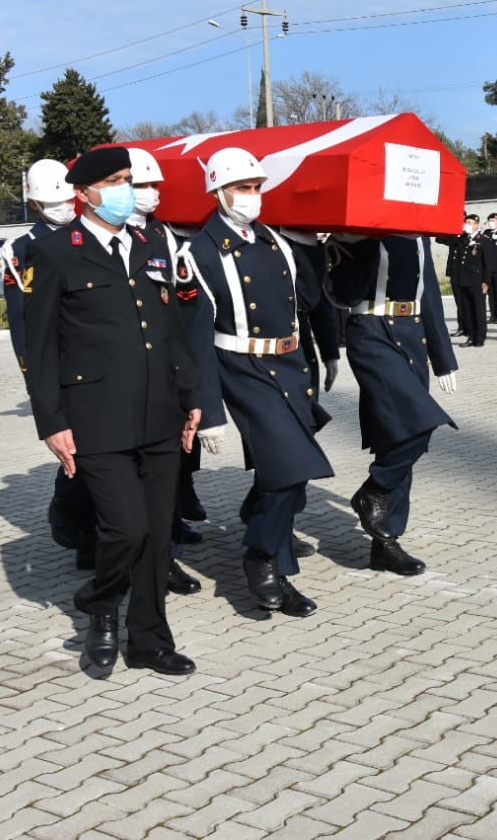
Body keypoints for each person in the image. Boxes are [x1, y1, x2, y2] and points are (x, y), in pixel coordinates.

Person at [22, 145, 202, 674]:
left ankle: (150, 641)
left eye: (130, 179)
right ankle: (101, 608)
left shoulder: (150, 243)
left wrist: (191, 398)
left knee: (158, 534)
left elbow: (171, 333)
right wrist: (52, 423)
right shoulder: (57, 251)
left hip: (161, 412)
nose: (129, 190)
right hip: (97, 416)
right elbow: (40, 347)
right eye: (119, 180)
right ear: (84, 193)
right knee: (126, 528)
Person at [183, 147, 334, 617]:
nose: (252, 196)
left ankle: (265, 529)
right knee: (291, 466)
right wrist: (208, 411)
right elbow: (194, 338)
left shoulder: (275, 239)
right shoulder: (200, 252)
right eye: (241, 188)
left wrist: (311, 244)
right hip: (242, 369)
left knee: (290, 470)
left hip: (289, 365)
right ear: (218, 192)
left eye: (256, 187)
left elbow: (307, 300)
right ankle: (263, 560)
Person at [327, 232, 459, 577]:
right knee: (418, 421)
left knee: (399, 436)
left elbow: (429, 293)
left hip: (412, 333)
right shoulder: (356, 235)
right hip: (372, 332)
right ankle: (374, 490)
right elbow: (342, 294)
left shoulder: (418, 236)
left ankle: (385, 542)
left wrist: (443, 359)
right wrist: (356, 243)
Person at [0, 158, 96, 563]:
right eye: (50, 202)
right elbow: (24, 331)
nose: (62, 208)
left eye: (67, 199)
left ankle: (92, 535)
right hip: (61, 370)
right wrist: (40, 389)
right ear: (34, 204)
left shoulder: (95, 233)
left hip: (102, 360)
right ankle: (75, 523)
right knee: (85, 455)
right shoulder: (20, 251)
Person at [122, 147, 206, 596]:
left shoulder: (165, 237)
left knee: (167, 468)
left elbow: (179, 304)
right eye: (141, 186)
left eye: (156, 186)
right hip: (123, 378)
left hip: (165, 374)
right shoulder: (106, 236)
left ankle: (166, 551)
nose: (151, 194)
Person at [447, 215, 489, 348]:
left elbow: (488, 264)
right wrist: (456, 230)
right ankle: (471, 336)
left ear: (477, 225)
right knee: (467, 310)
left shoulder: (483, 240)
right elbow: (442, 239)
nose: (467, 225)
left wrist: (486, 282)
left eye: (470, 223)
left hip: (477, 281)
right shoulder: (462, 238)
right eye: (466, 223)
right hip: (463, 280)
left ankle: (480, 337)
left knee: (478, 310)